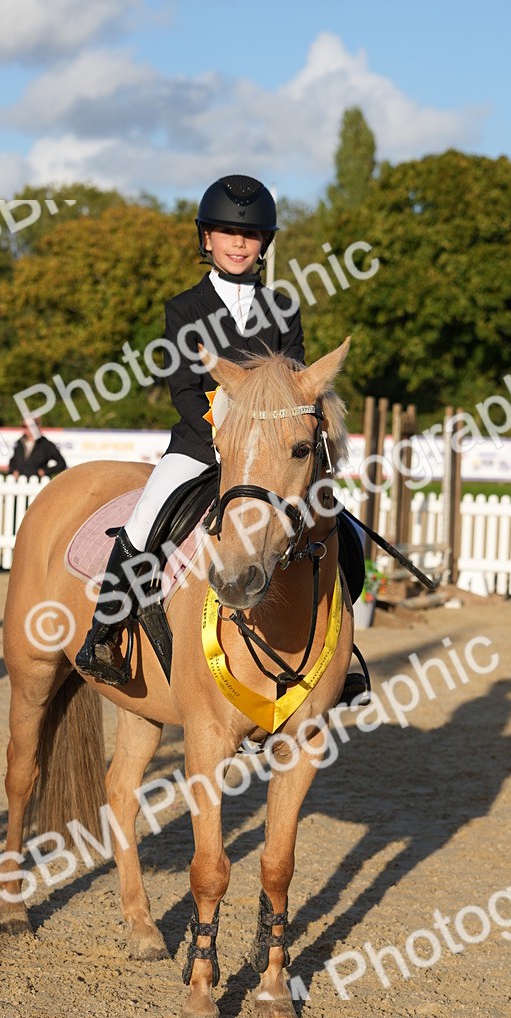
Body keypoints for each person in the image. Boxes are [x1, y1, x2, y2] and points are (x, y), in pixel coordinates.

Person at [75, 174, 305, 685]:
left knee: (337, 524)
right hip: (200, 446)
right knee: (144, 520)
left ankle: (341, 652)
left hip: (270, 457)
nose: (238, 243)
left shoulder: (284, 311)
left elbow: (294, 387)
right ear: (207, 238)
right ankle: (104, 632)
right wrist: (226, 444)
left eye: (249, 235)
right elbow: (184, 390)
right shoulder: (184, 308)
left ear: (264, 243)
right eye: (227, 233)